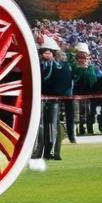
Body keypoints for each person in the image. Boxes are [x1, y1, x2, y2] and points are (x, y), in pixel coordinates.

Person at [36, 36, 69, 165]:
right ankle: (37, 152)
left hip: (53, 99)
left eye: (49, 51)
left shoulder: (59, 66)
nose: (47, 53)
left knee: (51, 126)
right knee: (38, 127)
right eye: (44, 51)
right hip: (38, 99)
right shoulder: (37, 65)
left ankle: (50, 152)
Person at [71, 42, 99, 136]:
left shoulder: (91, 67)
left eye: (84, 57)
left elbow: (93, 79)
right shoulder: (74, 68)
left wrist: (86, 68)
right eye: (80, 58)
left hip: (89, 94)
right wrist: (80, 69)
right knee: (79, 113)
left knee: (90, 112)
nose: (82, 60)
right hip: (78, 94)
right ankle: (81, 129)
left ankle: (90, 129)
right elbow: (75, 78)